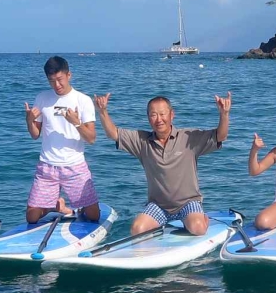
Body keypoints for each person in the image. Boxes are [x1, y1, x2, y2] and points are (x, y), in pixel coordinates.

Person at [94, 91, 231, 236]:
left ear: (172, 115)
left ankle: (201, 217)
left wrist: (224, 114)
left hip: (187, 203)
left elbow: (220, 136)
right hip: (159, 206)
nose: (158, 119)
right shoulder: (142, 142)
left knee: (198, 228)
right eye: (153, 115)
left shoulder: (189, 138)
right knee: (137, 229)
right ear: (148, 118)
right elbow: (113, 134)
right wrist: (102, 111)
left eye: (162, 114)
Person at [23, 56, 100, 223]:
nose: (57, 85)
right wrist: (29, 120)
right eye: (51, 81)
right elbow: (35, 135)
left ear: (69, 75)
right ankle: (54, 206)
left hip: (74, 166)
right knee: (31, 217)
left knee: (94, 215)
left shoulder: (83, 100)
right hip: (47, 166)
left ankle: (74, 207)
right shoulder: (42, 98)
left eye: (60, 79)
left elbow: (92, 138)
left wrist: (76, 123)